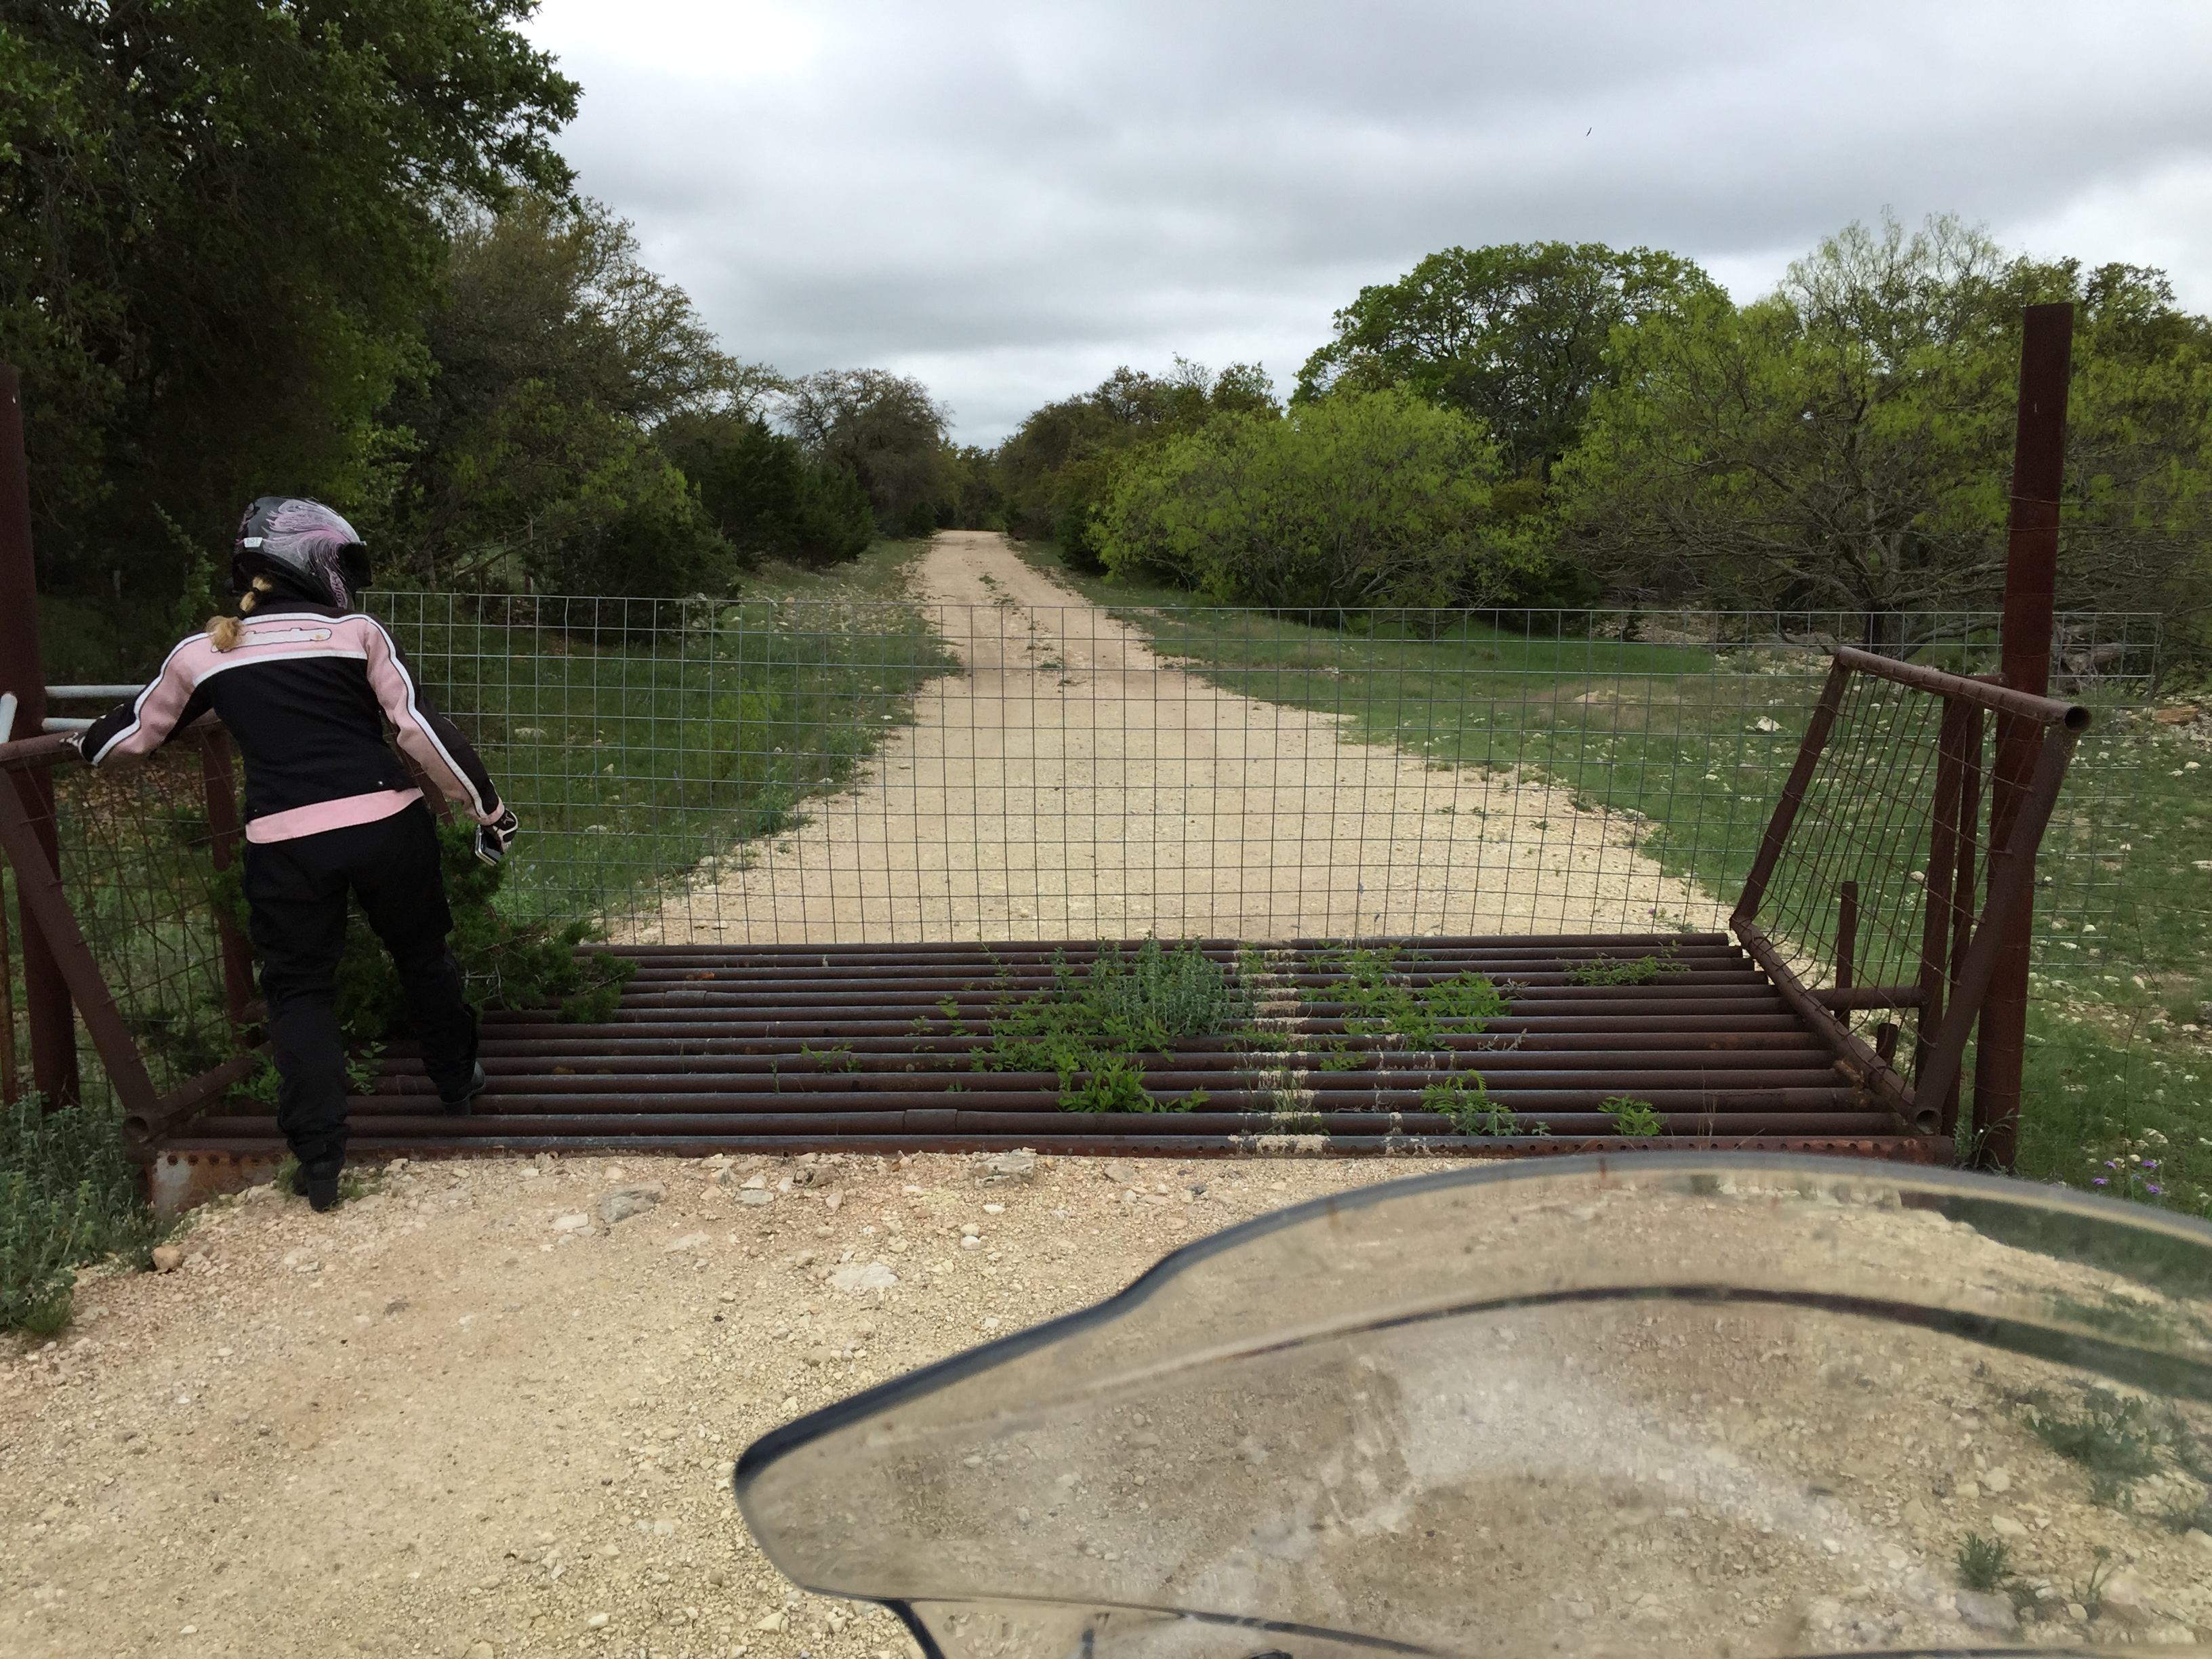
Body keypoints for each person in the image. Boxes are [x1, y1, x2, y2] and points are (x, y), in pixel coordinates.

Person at [72, 497, 518, 1211]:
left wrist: (82, 742)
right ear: (314, 560)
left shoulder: (204, 653)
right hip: (386, 825)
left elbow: (125, 741)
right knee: (421, 953)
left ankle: (320, 1163)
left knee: (299, 992)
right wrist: (488, 812)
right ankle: (457, 1084)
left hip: (285, 843)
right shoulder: (357, 633)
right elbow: (419, 730)